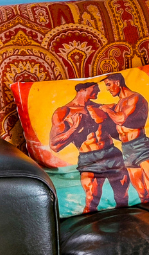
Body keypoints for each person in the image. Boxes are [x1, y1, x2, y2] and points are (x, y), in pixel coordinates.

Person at [50, 82, 129, 211]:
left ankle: (125, 222)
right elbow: (54, 145)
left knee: (122, 197)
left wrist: (116, 118)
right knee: (92, 201)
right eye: (95, 87)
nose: (99, 90)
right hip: (90, 159)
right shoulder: (64, 112)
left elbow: (117, 134)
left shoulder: (101, 108)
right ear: (82, 89)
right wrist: (74, 128)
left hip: (112, 154)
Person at [97, 72, 149, 203]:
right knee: (142, 194)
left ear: (117, 82)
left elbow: (120, 119)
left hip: (141, 147)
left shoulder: (135, 98)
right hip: (127, 149)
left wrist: (107, 110)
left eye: (109, 85)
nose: (108, 89)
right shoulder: (118, 104)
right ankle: (148, 216)